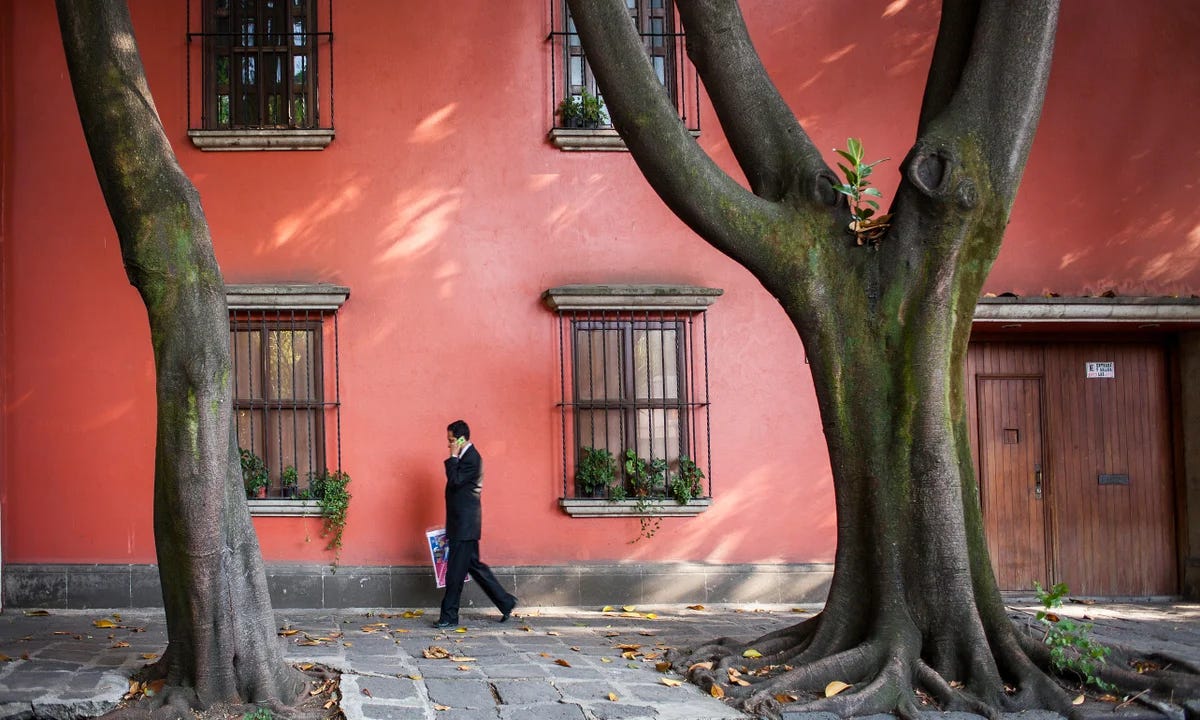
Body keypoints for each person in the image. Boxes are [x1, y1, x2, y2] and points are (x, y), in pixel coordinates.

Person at [435, 419, 518, 628]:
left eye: (451, 440)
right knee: (475, 566)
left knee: (455, 573)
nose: (448, 444)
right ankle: (506, 602)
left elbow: (455, 481)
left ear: (461, 439)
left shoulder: (471, 458)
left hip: (464, 526)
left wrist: (452, 457)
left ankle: (449, 616)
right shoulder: (467, 457)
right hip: (463, 524)